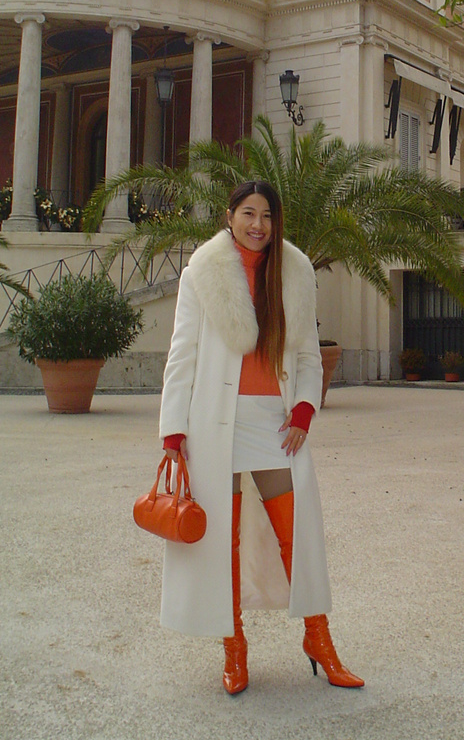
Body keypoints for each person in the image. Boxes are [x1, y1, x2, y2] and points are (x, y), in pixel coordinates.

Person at [158, 180, 363, 693]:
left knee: (299, 538)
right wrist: (172, 432)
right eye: (248, 213)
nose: (258, 225)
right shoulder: (201, 272)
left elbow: (310, 355)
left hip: (274, 424)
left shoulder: (293, 272)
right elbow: (182, 355)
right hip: (212, 424)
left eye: (266, 215)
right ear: (229, 216)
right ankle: (235, 650)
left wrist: (302, 412)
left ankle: (319, 639)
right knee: (221, 544)